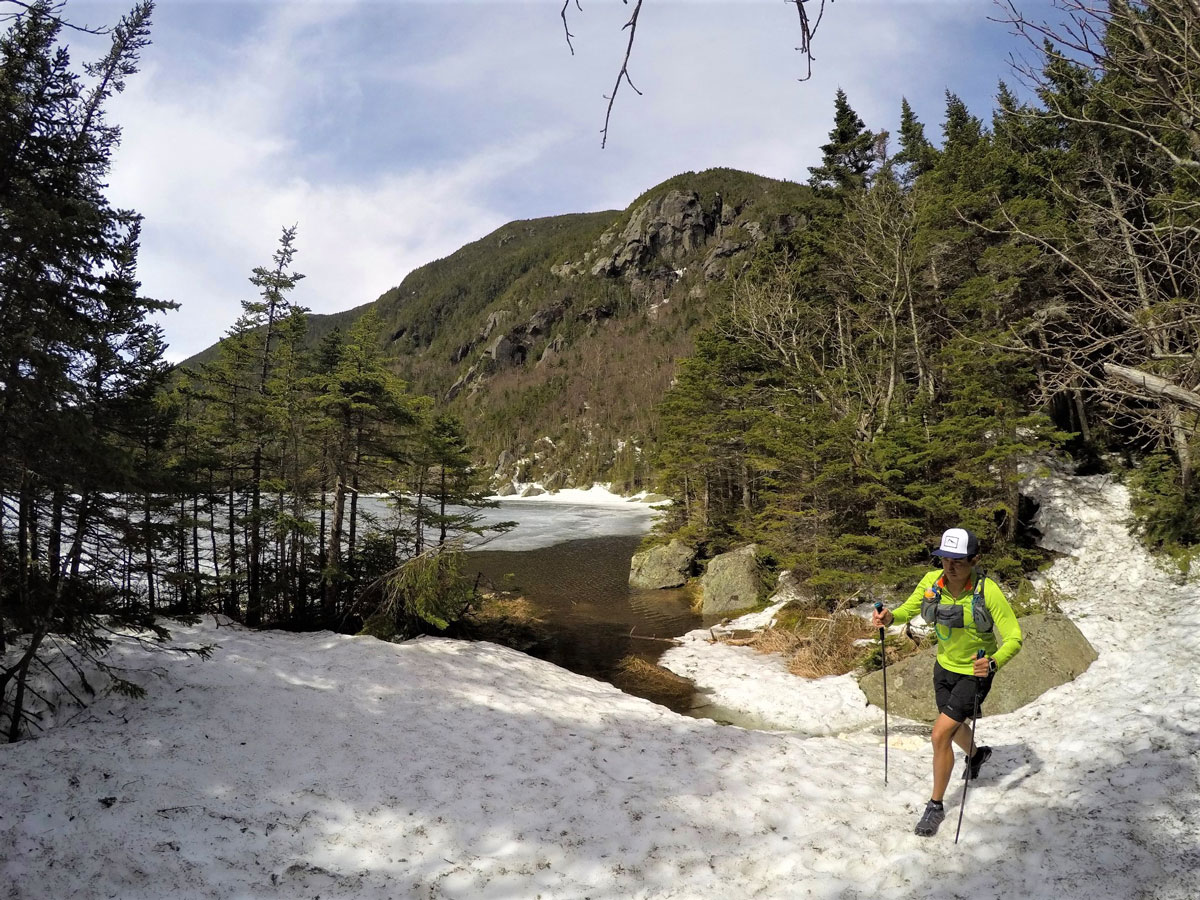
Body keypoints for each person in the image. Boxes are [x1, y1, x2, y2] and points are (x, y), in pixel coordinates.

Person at [872, 527, 1023, 837]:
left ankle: (935, 806)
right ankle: (978, 754)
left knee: (940, 734)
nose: (950, 567)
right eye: (944, 559)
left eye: (958, 561)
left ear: (974, 560)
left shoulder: (987, 591)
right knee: (953, 728)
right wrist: (889, 618)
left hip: (976, 672)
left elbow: (1014, 637)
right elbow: (906, 611)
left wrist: (993, 662)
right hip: (943, 668)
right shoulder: (931, 582)